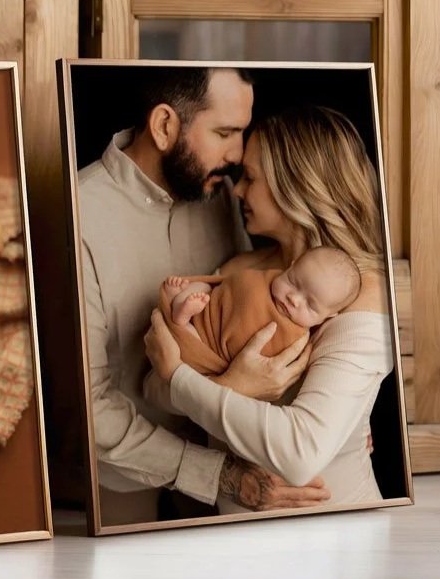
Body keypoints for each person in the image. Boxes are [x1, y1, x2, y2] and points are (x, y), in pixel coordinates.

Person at [77, 67, 330, 525]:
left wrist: (335, 414)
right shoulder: (79, 217)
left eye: (242, 132)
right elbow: (91, 411)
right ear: (164, 126)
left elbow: (254, 318)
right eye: (225, 132)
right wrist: (221, 475)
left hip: (238, 452)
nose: (238, 154)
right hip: (126, 485)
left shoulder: (220, 195)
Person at [145, 105, 392, 513]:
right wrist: (234, 386)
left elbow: (300, 454)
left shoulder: (366, 295)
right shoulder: (238, 271)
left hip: (333, 540)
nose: (237, 190)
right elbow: (154, 390)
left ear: (296, 186)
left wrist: (183, 380)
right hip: (233, 539)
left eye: (251, 177)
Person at [160, 245, 362, 376]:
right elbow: (228, 285)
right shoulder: (267, 277)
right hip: (210, 306)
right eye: (292, 281)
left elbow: (260, 370)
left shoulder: (295, 339)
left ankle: (180, 318)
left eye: (310, 305)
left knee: (191, 343)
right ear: (290, 267)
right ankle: (181, 301)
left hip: (209, 348)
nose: (294, 298)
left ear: (328, 316)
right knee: (203, 289)